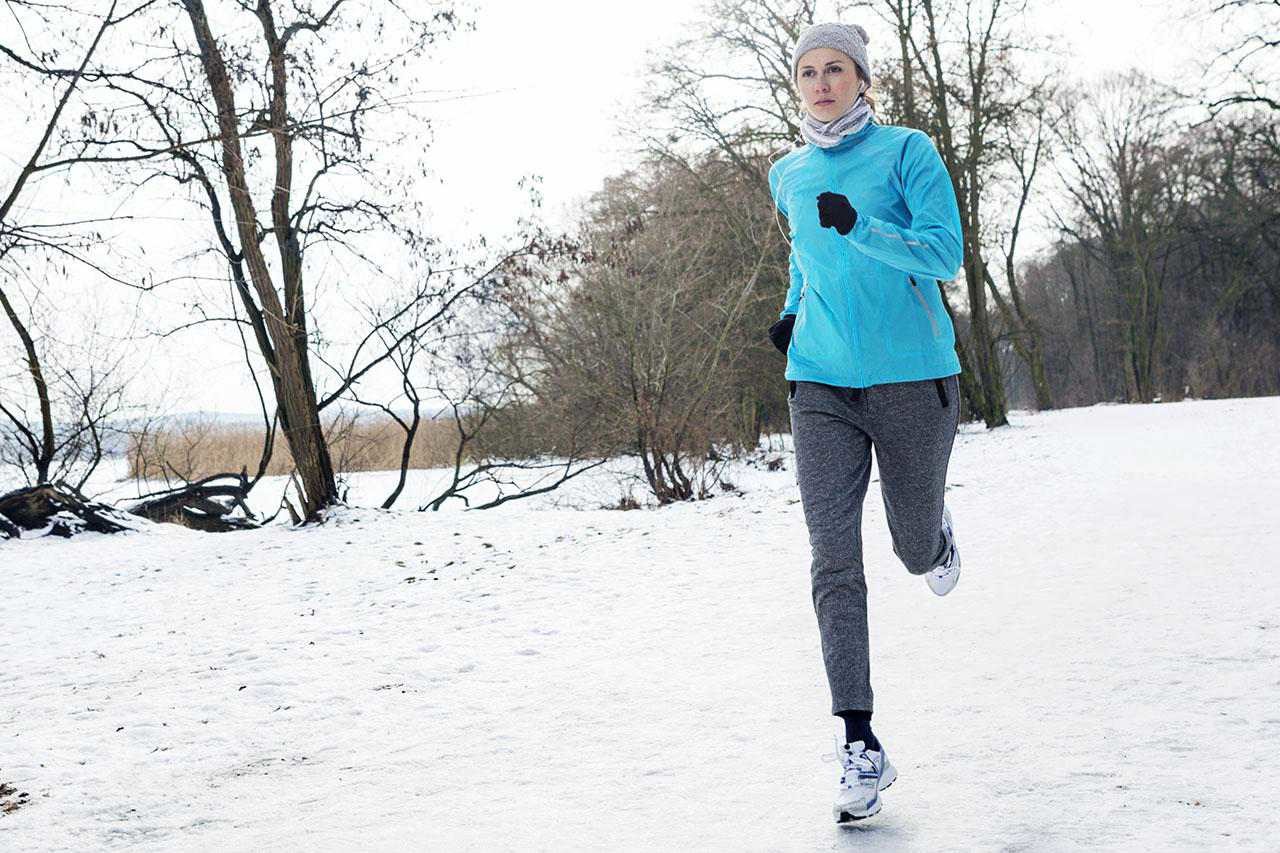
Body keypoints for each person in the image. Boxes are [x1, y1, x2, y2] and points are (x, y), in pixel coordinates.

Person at [766, 22, 964, 824]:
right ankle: (859, 738)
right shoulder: (786, 172)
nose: (821, 83)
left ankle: (934, 538)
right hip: (819, 381)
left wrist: (864, 227)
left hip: (912, 376)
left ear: (863, 80)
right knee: (832, 559)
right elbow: (804, 259)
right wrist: (791, 314)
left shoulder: (908, 151)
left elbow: (943, 254)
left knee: (910, 548)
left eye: (836, 69)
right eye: (808, 72)